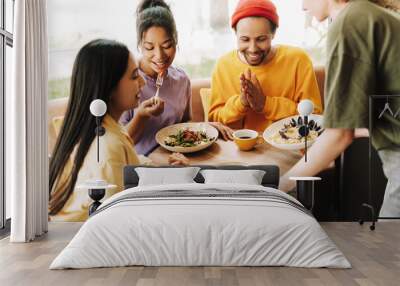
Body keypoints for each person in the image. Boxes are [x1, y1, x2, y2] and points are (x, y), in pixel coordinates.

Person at [280, 0, 400, 218]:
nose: (303, 7)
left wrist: (277, 188)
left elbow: (340, 135)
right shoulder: (369, 13)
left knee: (385, 248)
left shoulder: (350, 21)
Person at [49, 39, 185, 221]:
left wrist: (163, 171)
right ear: (110, 86)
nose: (143, 82)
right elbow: (117, 221)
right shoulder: (107, 148)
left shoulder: (101, 129)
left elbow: (127, 167)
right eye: (134, 75)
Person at [120, 0, 233, 156]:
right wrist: (141, 115)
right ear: (140, 45)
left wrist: (206, 127)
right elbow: (118, 143)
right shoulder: (124, 81)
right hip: (140, 169)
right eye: (149, 47)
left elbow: (184, 125)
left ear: (176, 40)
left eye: (166, 45)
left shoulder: (181, 79)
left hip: (178, 162)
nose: (159, 56)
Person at [208, 0, 323, 133]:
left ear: (273, 34)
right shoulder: (223, 66)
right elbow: (214, 121)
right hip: (239, 150)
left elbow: (314, 117)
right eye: (245, 39)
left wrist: (265, 104)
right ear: (235, 33)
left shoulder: (298, 60)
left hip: (289, 150)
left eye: (261, 39)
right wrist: (241, 103)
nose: (253, 49)